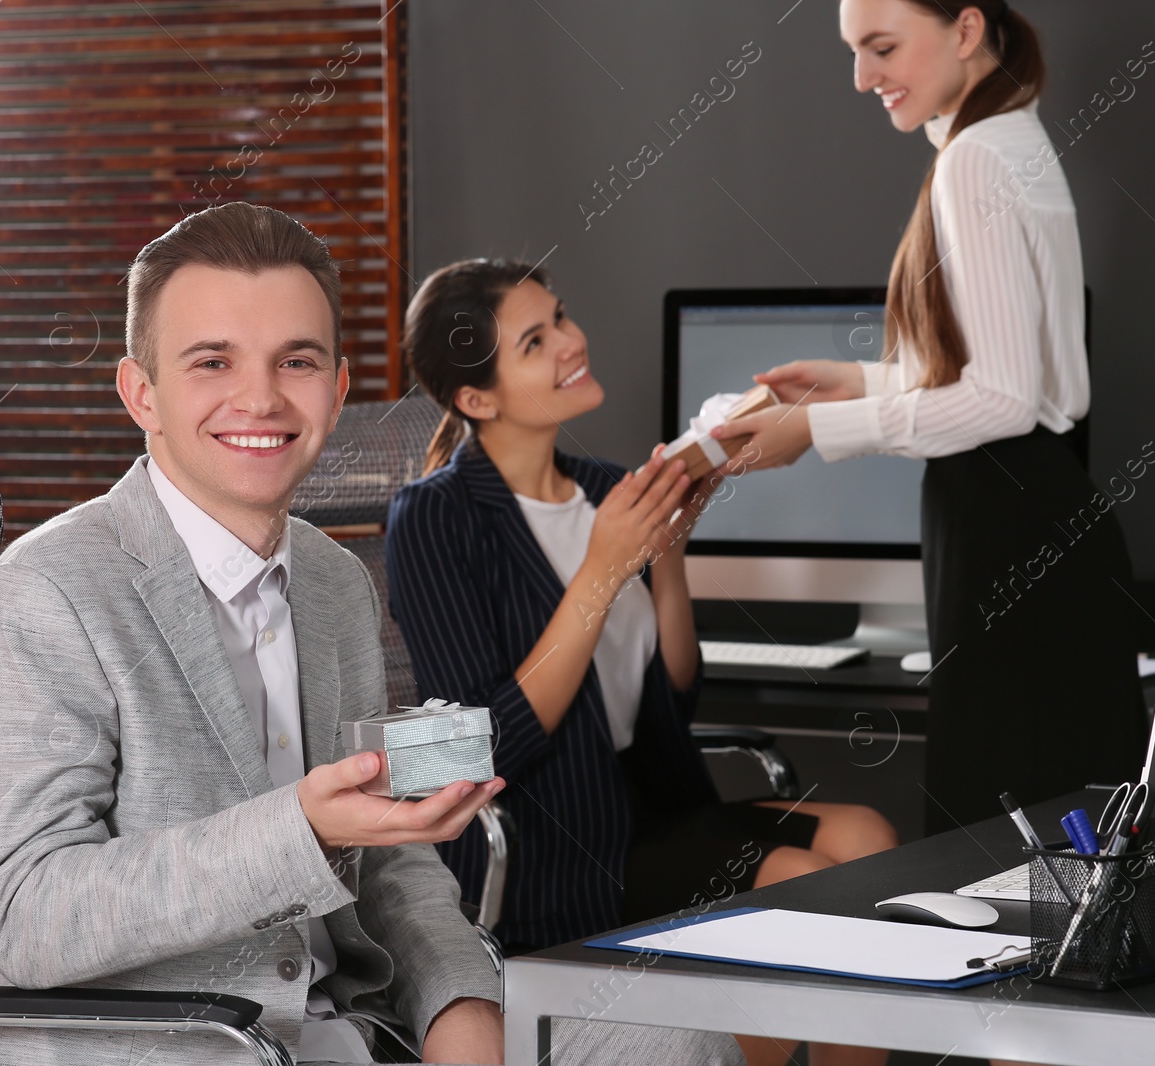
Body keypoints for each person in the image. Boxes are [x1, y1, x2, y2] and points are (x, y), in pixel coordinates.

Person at [0, 202, 742, 1066]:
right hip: (160, 1048)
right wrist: (304, 832)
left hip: (346, 1028)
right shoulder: (42, 595)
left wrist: (461, 1007)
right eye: (212, 361)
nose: (261, 397)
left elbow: (394, 865)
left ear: (338, 388)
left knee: (678, 1042)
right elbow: (23, 918)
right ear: (143, 394)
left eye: (297, 361)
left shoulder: (330, 581)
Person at [386, 258, 900, 1066]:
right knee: (804, 884)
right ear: (476, 399)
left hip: (648, 808)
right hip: (555, 843)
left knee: (868, 832)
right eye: (535, 340)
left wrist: (668, 557)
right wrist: (600, 570)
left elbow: (671, 697)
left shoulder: (606, 488)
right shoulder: (437, 519)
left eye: (560, 316)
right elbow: (478, 746)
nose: (569, 341)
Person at [716, 0, 1149, 840]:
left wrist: (816, 433)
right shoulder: (1007, 135)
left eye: (882, 47)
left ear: (965, 29)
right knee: (1065, 845)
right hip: (1035, 508)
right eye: (854, 52)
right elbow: (1013, 373)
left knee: (1003, 842)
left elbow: (1004, 400)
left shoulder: (975, 160)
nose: (862, 77)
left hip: (1006, 523)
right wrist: (857, 381)